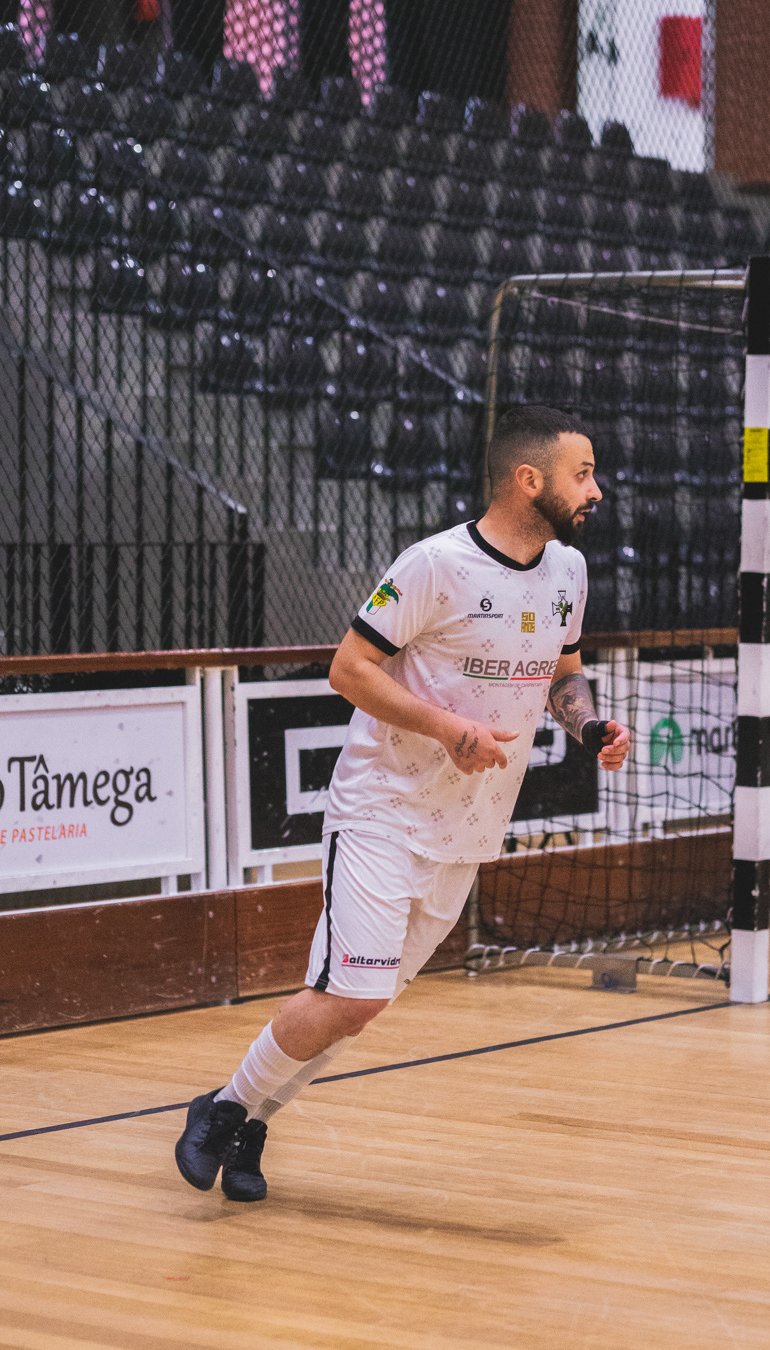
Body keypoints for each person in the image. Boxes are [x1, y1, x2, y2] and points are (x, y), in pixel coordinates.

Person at [175, 404, 631, 1202]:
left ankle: (251, 1121)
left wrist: (589, 726)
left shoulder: (568, 571)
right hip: (381, 810)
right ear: (529, 480)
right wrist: (449, 728)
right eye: (583, 474)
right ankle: (223, 1108)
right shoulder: (435, 565)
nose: (597, 490)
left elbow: (564, 671)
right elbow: (348, 668)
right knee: (351, 992)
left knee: (361, 1006)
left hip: (468, 828)